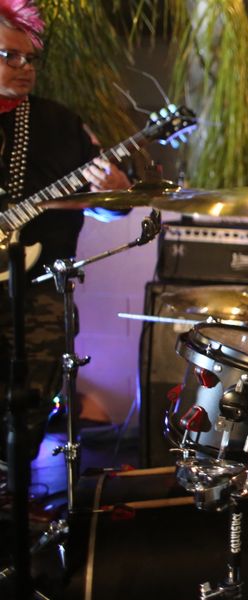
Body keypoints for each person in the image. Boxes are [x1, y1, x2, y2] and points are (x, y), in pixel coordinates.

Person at [0, 0, 130, 459]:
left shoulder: (61, 123)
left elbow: (110, 209)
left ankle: (12, 484)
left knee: (31, 402)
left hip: (38, 290)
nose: (25, 67)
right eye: (11, 56)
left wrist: (114, 191)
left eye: (31, 58)